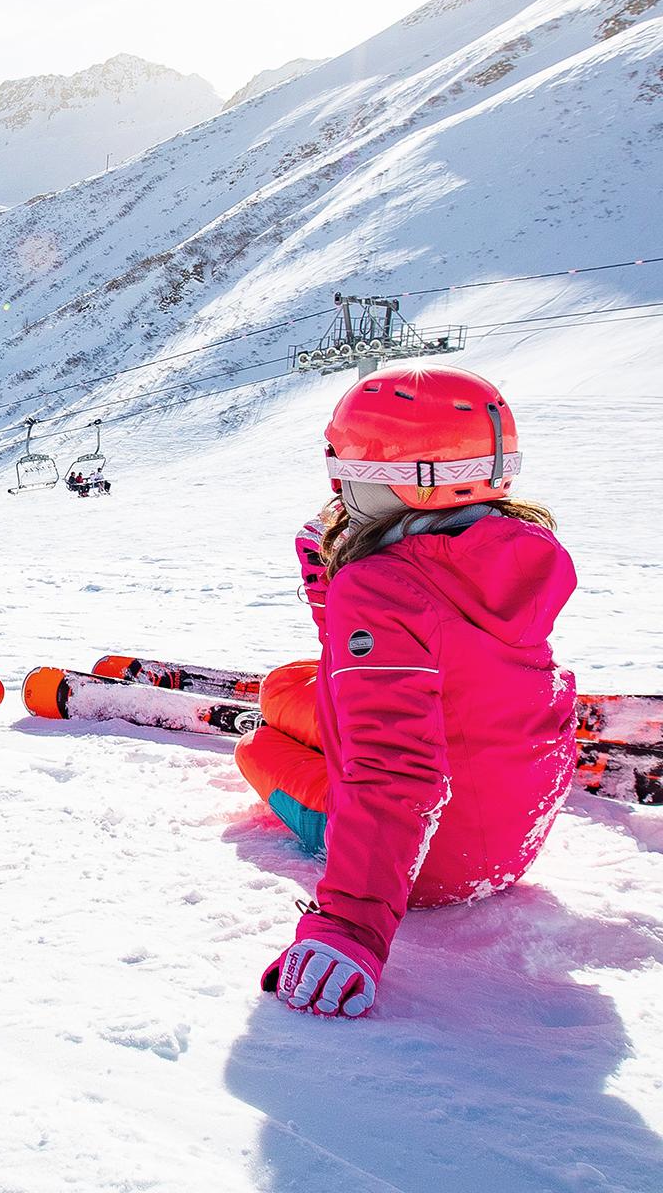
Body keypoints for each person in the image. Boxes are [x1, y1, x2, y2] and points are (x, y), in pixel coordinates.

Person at [234, 367, 577, 1018]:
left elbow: (395, 766)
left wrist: (350, 928)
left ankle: (276, 747)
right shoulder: (515, 551)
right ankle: (292, 717)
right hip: (514, 838)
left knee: (256, 747)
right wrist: (329, 596)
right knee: (287, 682)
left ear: (391, 475)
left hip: (429, 867)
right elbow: (406, 647)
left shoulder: (383, 583)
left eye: (344, 466)